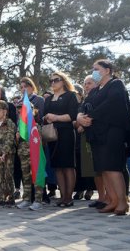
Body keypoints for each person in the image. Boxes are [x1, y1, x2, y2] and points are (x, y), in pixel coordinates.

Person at [78, 59, 130, 215]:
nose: (94, 71)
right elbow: (84, 105)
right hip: (97, 134)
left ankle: (122, 202)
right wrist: (80, 116)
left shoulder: (116, 84)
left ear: (107, 70)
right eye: (93, 69)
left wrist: (91, 117)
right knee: (104, 169)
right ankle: (113, 200)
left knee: (113, 167)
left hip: (113, 132)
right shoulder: (95, 90)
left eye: (97, 68)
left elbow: (112, 103)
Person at [44, 72, 78, 207]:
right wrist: (47, 117)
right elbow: (45, 115)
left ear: (63, 81)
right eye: (50, 81)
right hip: (52, 135)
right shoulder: (48, 98)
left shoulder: (70, 95)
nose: (52, 83)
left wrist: (56, 117)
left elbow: (72, 115)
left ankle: (69, 197)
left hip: (66, 134)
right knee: (57, 167)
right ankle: (62, 196)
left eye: (56, 80)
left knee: (68, 166)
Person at [0, 100, 16, 208]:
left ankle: (10, 197)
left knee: (8, 175)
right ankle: (1, 198)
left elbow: (10, 139)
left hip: (8, 153)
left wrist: (5, 152)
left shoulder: (10, 123)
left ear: (5, 111)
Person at [72, 84, 95, 201]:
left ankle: (90, 189)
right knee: (78, 165)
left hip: (85, 138)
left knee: (87, 163)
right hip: (74, 138)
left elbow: (89, 118)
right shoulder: (71, 105)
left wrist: (83, 126)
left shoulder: (84, 104)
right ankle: (79, 189)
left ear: (80, 94)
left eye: (75, 93)